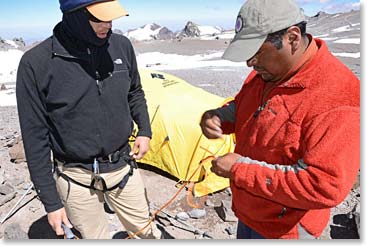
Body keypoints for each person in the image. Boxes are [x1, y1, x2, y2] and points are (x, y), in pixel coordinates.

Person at [200, 0, 359, 239]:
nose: (249, 63)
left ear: (292, 38)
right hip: (250, 213)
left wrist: (239, 170)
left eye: (256, 52)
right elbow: (248, 105)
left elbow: (324, 185)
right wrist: (220, 117)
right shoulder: (268, 71)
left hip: (285, 230)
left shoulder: (339, 96)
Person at [16, 0, 163, 239]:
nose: (109, 24)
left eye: (111, 16)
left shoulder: (121, 46)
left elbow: (134, 91)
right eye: (99, 18)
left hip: (122, 167)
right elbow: (35, 139)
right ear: (74, 16)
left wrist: (144, 130)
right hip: (75, 176)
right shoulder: (36, 63)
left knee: (147, 234)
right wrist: (52, 204)